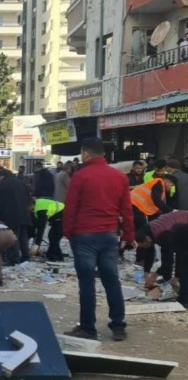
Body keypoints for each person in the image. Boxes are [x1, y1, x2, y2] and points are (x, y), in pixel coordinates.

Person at [63, 137, 133, 341]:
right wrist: (128, 234)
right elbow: (127, 210)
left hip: (84, 235)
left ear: (86, 153)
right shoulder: (119, 177)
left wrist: (68, 232)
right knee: (112, 279)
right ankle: (118, 326)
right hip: (110, 235)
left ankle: (88, 327)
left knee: (87, 283)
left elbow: (71, 207)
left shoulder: (81, 176)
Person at [136, 211, 188, 307]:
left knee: (185, 263)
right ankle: (172, 283)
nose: (144, 248)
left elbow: (169, 259)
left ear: (147, 239)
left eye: (143, 246)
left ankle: (184, 300)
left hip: (183, 226)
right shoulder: (148, 230)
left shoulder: (164, 234)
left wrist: (155, 276)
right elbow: (149, 251)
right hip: (182, 231)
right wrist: (147, 273)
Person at [133, 175, 176, 287]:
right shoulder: (158, 183)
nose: (170, 187)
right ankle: (142, 262)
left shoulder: (163, 234)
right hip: (136, 207)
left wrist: (155, 275)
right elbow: (156, 200)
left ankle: (167, 278)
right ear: (167, 181)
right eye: (171, 185)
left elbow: (168, 257)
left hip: (136, 208)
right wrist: (171, 211)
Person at [0, 170, 32, 265]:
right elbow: (29, 198)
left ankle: (13, 259)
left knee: (12, 237)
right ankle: (25, 256)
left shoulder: (0, 186)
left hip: (10, 216)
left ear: (0, 177)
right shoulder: (21, 183)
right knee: (23, 237)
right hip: (24, 214)